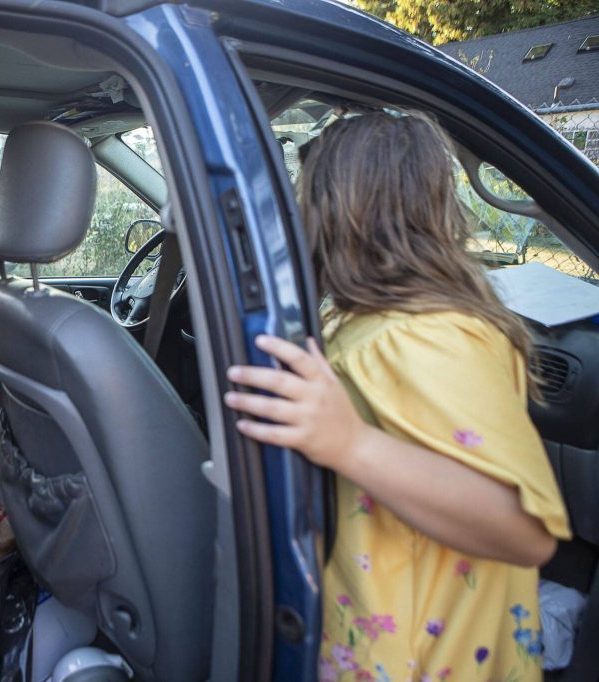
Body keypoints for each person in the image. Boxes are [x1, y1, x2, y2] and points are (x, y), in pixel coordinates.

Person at [223, 111, 570, 681]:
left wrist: (350, 444)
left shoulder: (433, 335)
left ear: (340, 214)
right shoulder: (357, 323)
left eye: (307, 199)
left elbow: (524, 533)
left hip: (428, 659)